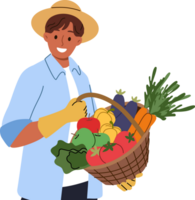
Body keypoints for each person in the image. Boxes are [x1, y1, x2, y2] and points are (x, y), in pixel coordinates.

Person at [0, 0, 103, 200]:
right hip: (45, 189)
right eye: (56, 36)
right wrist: (63, 117)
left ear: (79, 41)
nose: (62, 43)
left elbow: (96, 130)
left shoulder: (83, 76)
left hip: (88, 186)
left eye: (70, 37)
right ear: (46, 37)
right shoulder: (31, 75)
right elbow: (10, 137)